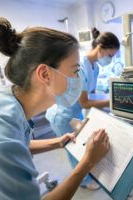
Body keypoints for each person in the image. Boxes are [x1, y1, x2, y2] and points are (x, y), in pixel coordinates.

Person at [0, 17, 110, 200]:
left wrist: (57, 142)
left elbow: (18, 144)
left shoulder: (7, 100)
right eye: (75, 71)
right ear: (45, 74)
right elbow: (5, 145)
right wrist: (87, 162)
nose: (78, 78)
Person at [45, 27, 119, 189]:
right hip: (63, 115)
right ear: (100, 48)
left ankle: (87, 171)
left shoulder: (96, 67)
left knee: (82, 145)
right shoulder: (81, 66)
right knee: (74, 149)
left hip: (75, 112)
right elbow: (85, 102)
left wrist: (105, 102)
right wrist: (111, 102)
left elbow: (90, 94)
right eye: (110, 55)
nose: (111, 59)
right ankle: (84, 182)